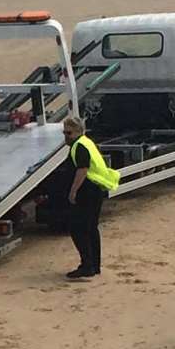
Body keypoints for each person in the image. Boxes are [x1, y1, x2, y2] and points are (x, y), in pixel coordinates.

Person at [61, 116, 117, 280]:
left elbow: (82, 170)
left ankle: (87, 265)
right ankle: (93, 265)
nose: (66, 136)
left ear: (78, 131)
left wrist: (73, 191)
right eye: (64, 132)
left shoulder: (80, 146)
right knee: (91, 228)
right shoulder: (86, 142)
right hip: (94, 191)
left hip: (87, 192)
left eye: (68, 133)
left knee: (78, 229)